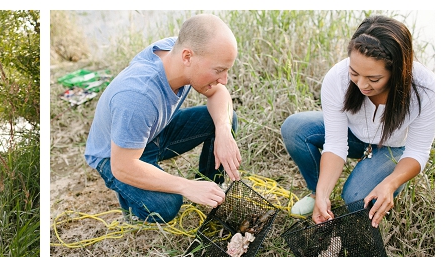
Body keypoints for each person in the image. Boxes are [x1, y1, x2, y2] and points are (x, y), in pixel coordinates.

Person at [84, 13, 242, 223]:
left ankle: (211, 189)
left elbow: (218, 92)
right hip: (115, 156)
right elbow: (122, 166)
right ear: (187, 57)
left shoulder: (176, 51)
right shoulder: (137, 96)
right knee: (166, 206)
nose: (224, 79)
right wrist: (185, 186)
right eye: (219, 70)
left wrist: (223, 133)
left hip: (154, 132)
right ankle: (132, 207)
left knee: (226, 118)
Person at [281, 15, 435, 227]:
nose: (362, 84)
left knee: (354, 199)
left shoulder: (426, 89)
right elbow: (335, 144)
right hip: (353, 135)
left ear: (398, 72)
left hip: (391, 147)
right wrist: (322, 193)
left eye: (374, 79)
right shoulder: (337, 78)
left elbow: (417, 152)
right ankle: (317, 194)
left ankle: (383, 180)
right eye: (354, 73)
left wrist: (390, 183)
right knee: (295, 128)